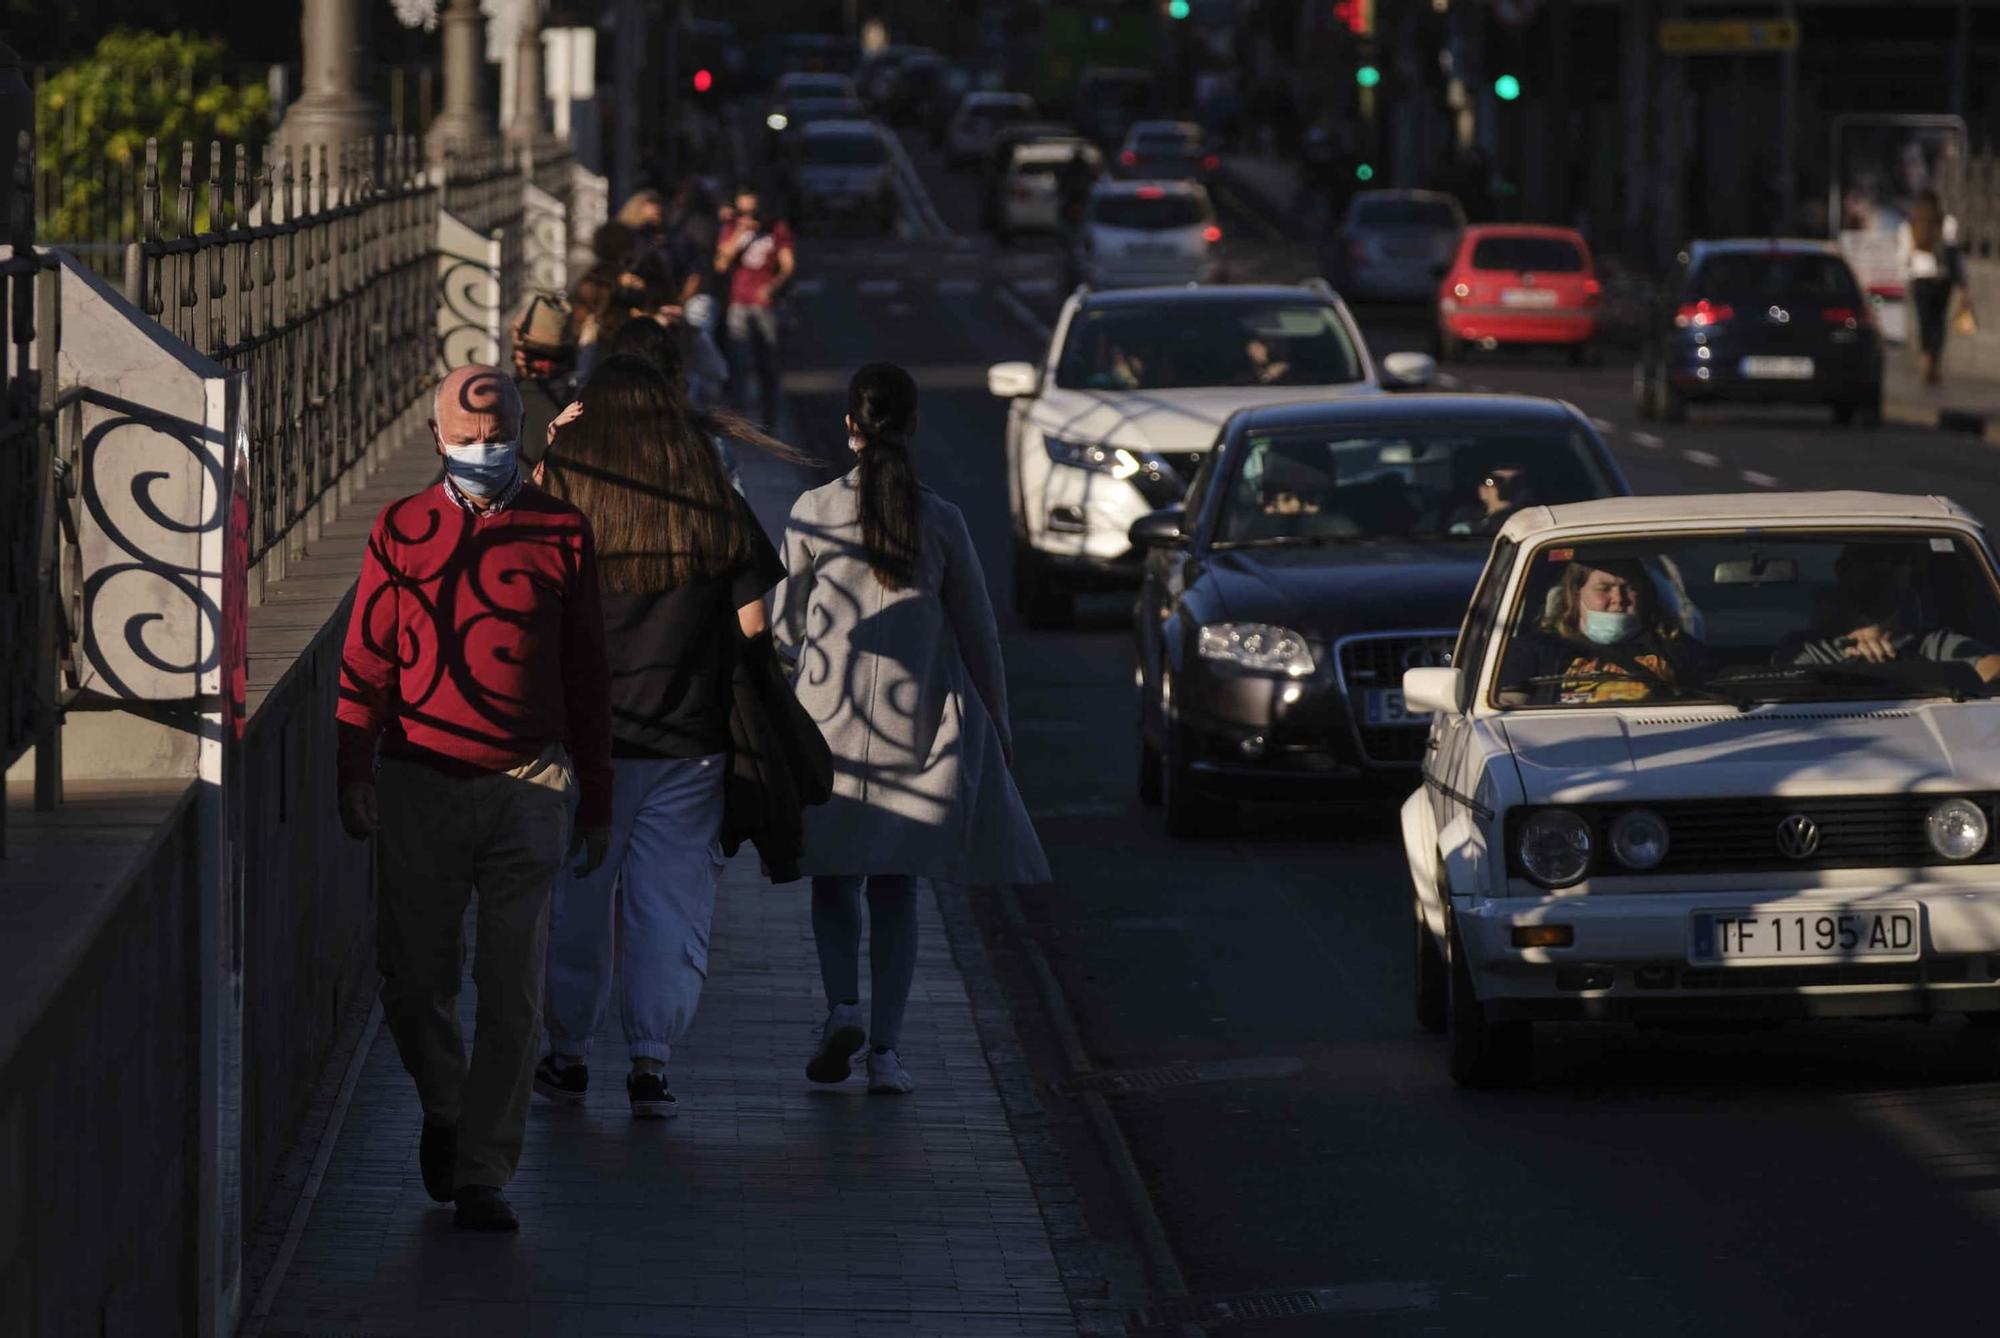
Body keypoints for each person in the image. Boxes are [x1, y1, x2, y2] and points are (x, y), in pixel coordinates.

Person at [334, 364, 612, 1232]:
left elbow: (588, 673)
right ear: (436, 438)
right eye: (468, 439)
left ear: (522, 434)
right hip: (419, 779)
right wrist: (352, 769)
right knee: (414, 984)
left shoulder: (563, 532)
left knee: (512, 992)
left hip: (528, 783)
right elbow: (367, 662)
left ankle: (484, 1171)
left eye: (498, 439)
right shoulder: (401, 529)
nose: (484, 452)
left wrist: (597, 798)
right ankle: (448, 1111)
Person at [775, 363, 1050, 1095]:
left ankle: (841, 1008)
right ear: (915, 425)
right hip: (919, 735)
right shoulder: (943, 519)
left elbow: (784, 625)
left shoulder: (811, 511)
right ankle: (888, 1055)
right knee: (898, 890)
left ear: (849, 428)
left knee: (833, 882)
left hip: (827, 730)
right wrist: (1000, 722)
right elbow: (980, 636)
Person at [531, 354, 787, 1119]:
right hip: (690, 739)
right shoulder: (711, 499)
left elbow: (513, 560)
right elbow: (754, 627)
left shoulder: (569, 497)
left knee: (579, 898)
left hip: (586, 739)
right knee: (668, 906)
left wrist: (548, 449)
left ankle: (568, 1054)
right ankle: (651, 1062)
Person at [1498, 559, 1711, 705]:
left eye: (1629, 587)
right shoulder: (1535, 650)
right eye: (1604, 589)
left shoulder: (1674, 645)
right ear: (1576, 595)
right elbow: (1508, 711)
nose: (1618, 598)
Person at [1779, 548, 2000, 683]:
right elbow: (1785, 688)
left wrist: (1912, 666)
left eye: (1896, 559)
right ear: (1843, 569)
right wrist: (1851, 669)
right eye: (1869, 558)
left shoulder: (1936, 645)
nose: (1884, 567)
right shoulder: (1807, 648)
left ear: (1909, 572)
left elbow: (1992, 670)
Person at [715, 187, 795, 429]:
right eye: (743, 211)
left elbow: (787, 264)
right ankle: (739, 419)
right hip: (739, 300)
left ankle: (770, 418)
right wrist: (740, 232)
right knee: (737, 361)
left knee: (767, 361)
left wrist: (773, 285)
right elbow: (720, 263)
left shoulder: (776, 229)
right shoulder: (732, 229)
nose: (749, 216)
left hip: (764, 302)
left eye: (753, 211)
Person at [1899, 190, 1972, 387]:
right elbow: (1954, 253)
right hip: (1942, 278)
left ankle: (1926, 359)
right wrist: (1963, 283)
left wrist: (1908, 274)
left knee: (1925, 320)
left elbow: (1904, 256)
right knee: (1938, 322)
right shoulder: (1946, 223)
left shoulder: (1910, 226)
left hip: (1920, 278)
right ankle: (1936, 360)